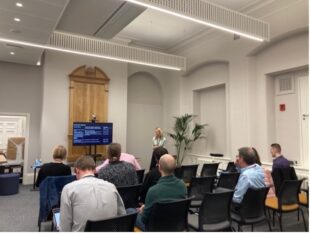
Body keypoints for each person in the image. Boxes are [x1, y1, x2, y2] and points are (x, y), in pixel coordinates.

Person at [60, 155, 126, 232]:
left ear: (77, 171)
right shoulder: (111, 187)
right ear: (94, 170)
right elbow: (123, 217)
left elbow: (65, 228)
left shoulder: (68, 189)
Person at [135, 154, 187, 231]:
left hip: (154, 228)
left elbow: (144, 220)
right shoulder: (182, 185)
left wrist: (143, 210)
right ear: (174, 168)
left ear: (159, 168)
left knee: (131, 211)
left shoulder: (153, 190)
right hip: (175, 225)